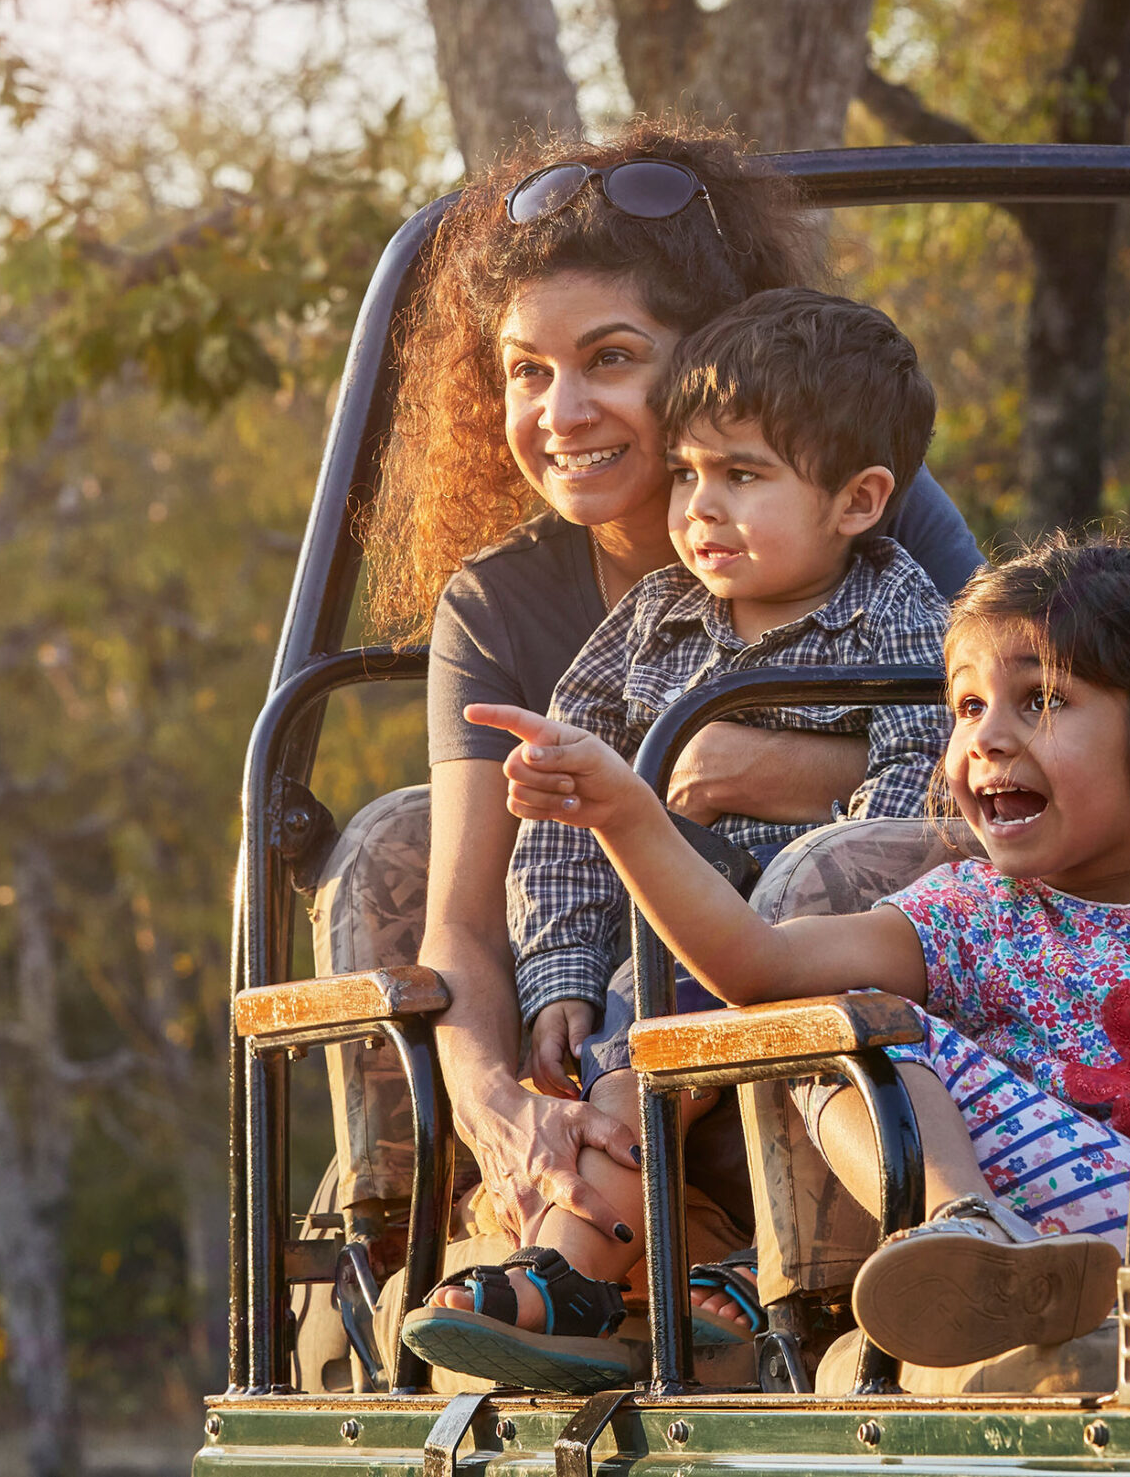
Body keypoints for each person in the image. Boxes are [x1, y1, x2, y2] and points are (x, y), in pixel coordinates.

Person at [313, 123, 983, 1307]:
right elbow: (468, 914)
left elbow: (976, 773)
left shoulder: (864, 518)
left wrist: (739, 768)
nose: (560, 410)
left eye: (609, 357)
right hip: (610, 1028)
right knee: (398, 843)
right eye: (525, 369)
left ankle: (886, 1238)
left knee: (810, 885)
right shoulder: (503, 601)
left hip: (825, 992)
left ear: (708, 358)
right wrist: (501, 1108)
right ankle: (569, 1248)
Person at [463, 533, 1130, 1372]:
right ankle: (965, 1232)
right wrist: (627, 813)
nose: (987, 739)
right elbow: (757, 965)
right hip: (1054, 1233)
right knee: (825, 1023)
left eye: (1041, 700)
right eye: (967, 707)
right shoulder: (969, 912)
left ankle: (977, 1239)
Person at [395, 288, 952, 1391]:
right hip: (659, 948)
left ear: (858, 501)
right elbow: (558, 807)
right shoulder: (652, 623)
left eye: (739, 477)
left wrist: (806, 844)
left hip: (818, 947)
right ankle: (601, 1265)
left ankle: (635, 1269)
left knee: (730, 969)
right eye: (690, 473)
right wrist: (554, 972)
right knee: (621, 1032)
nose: (697, 507)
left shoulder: (903, 619)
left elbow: (923, 793)